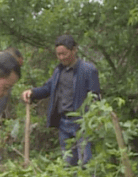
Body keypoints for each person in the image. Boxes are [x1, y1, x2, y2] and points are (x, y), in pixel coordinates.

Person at [21, 34, 100, 166]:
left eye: (64, 53)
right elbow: (48, 88)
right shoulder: (58, 71)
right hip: (64, 122)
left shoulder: (88, 70)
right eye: (58, 54)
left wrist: (95, 119)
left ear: (74, 50)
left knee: (86, 160)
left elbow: (95, 97)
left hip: (82, 123)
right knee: (68, 161)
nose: (61, 57)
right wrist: (32, 93)